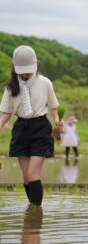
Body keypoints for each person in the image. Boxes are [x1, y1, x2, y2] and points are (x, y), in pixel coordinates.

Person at [0, 45, 62, 206]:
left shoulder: (45, 83)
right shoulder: (11, 87)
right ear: (15, 67)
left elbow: (53, 106)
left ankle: (36, 214)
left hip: (40, 128)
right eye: (23, 69)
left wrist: (57, 121)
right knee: (26, 176)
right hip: (21, 129)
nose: (27, 72)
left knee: (33, 174)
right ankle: (32, 213)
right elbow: (6, 113)